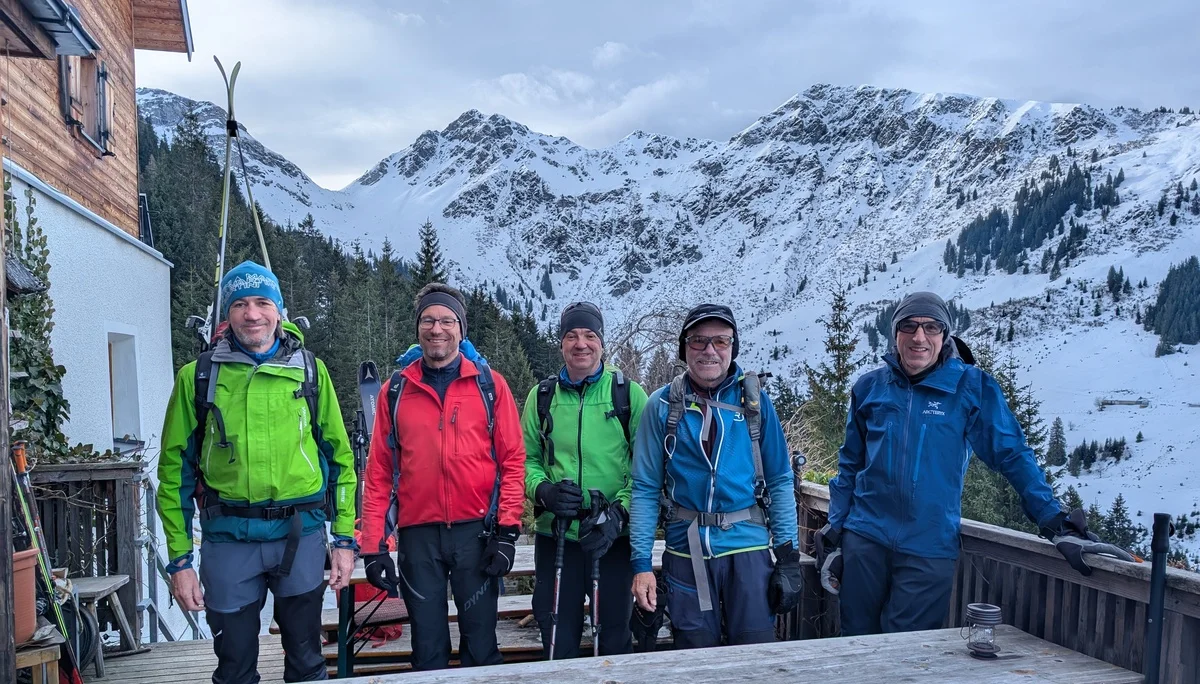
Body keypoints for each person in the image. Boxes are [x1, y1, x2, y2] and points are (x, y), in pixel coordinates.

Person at [822, 291, 1138, 637]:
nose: (919, 337)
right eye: (909, 326)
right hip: (866, 538)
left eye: (931, 327)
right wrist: (837, 528)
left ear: (945, 336)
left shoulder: (971, 388)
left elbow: (1011, 452)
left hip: (928, 545)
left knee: (905, 650)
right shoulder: (869, 388)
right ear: (894, 332)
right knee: (855, 642)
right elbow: (850, 463)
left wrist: (1052, 519)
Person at [157, 260, 357, 683]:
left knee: (307, 661)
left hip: (299, 538)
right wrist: (179, 561)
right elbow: (174, 474)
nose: (252, 314)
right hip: (228, 541)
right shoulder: (198, 377)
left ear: (279, 310)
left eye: (263, 302)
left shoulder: (309, 371)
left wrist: (343, 540)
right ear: (227, 314)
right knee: (234, 665)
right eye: (240, 304)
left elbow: (341, 459)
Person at [358, 283, 526, 671]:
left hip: (477, 536)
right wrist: (374, 546)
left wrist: (507, 532)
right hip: (419, 538)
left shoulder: (489, 385)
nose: (438, 329)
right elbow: (380, 472)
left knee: (481, 645)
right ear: (418, 328)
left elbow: (512, 462)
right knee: (428, 649)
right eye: (429, 320)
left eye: (447, 320)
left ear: (461, 329)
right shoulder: (395, 391)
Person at [629, 304, 803, 649]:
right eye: (698, 341)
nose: (709, 350)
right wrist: (641, 563)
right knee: (695, 656)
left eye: (721, 341)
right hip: (685, 552)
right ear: (684, 349)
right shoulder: (662, 406)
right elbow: (646, 489)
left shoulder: (755, 404)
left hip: (749, 550)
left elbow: (781, 481)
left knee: (754, 657)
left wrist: (789, 558)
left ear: (732, 347)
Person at [522, 302, 648, 658]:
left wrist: (619, 513)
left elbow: (646, 470)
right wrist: (543, 491)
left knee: (613, 637)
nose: (581, 344)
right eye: (572, 336)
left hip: (611, 539)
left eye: (590, 335)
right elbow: (525, 460)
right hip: (557, 535)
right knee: (557, 635)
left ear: (602, 343)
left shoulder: (627, 395)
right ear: (560, 343)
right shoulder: (542, 397)